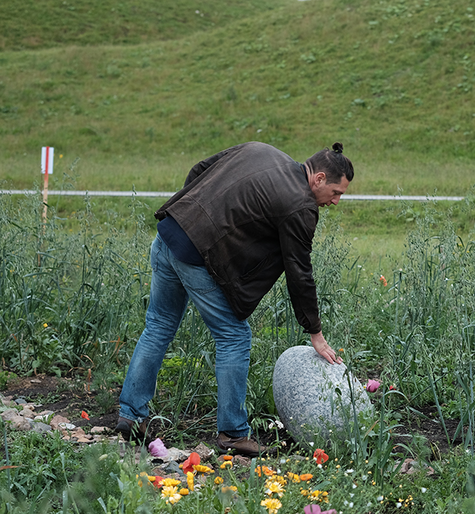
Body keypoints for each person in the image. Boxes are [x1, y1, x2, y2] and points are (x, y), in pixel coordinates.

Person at [115, 141, 353, 456]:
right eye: (336, 192)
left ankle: (131, 414)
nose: (335, 201)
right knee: (234, 337)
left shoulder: (261, 150)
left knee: (158, 325)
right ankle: (234, 433)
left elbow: (199, 169)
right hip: (194, 256)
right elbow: (299, 272)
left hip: (169, 233)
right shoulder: (300, 205)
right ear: (319, 178)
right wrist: (315, 332)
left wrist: (191, 219)